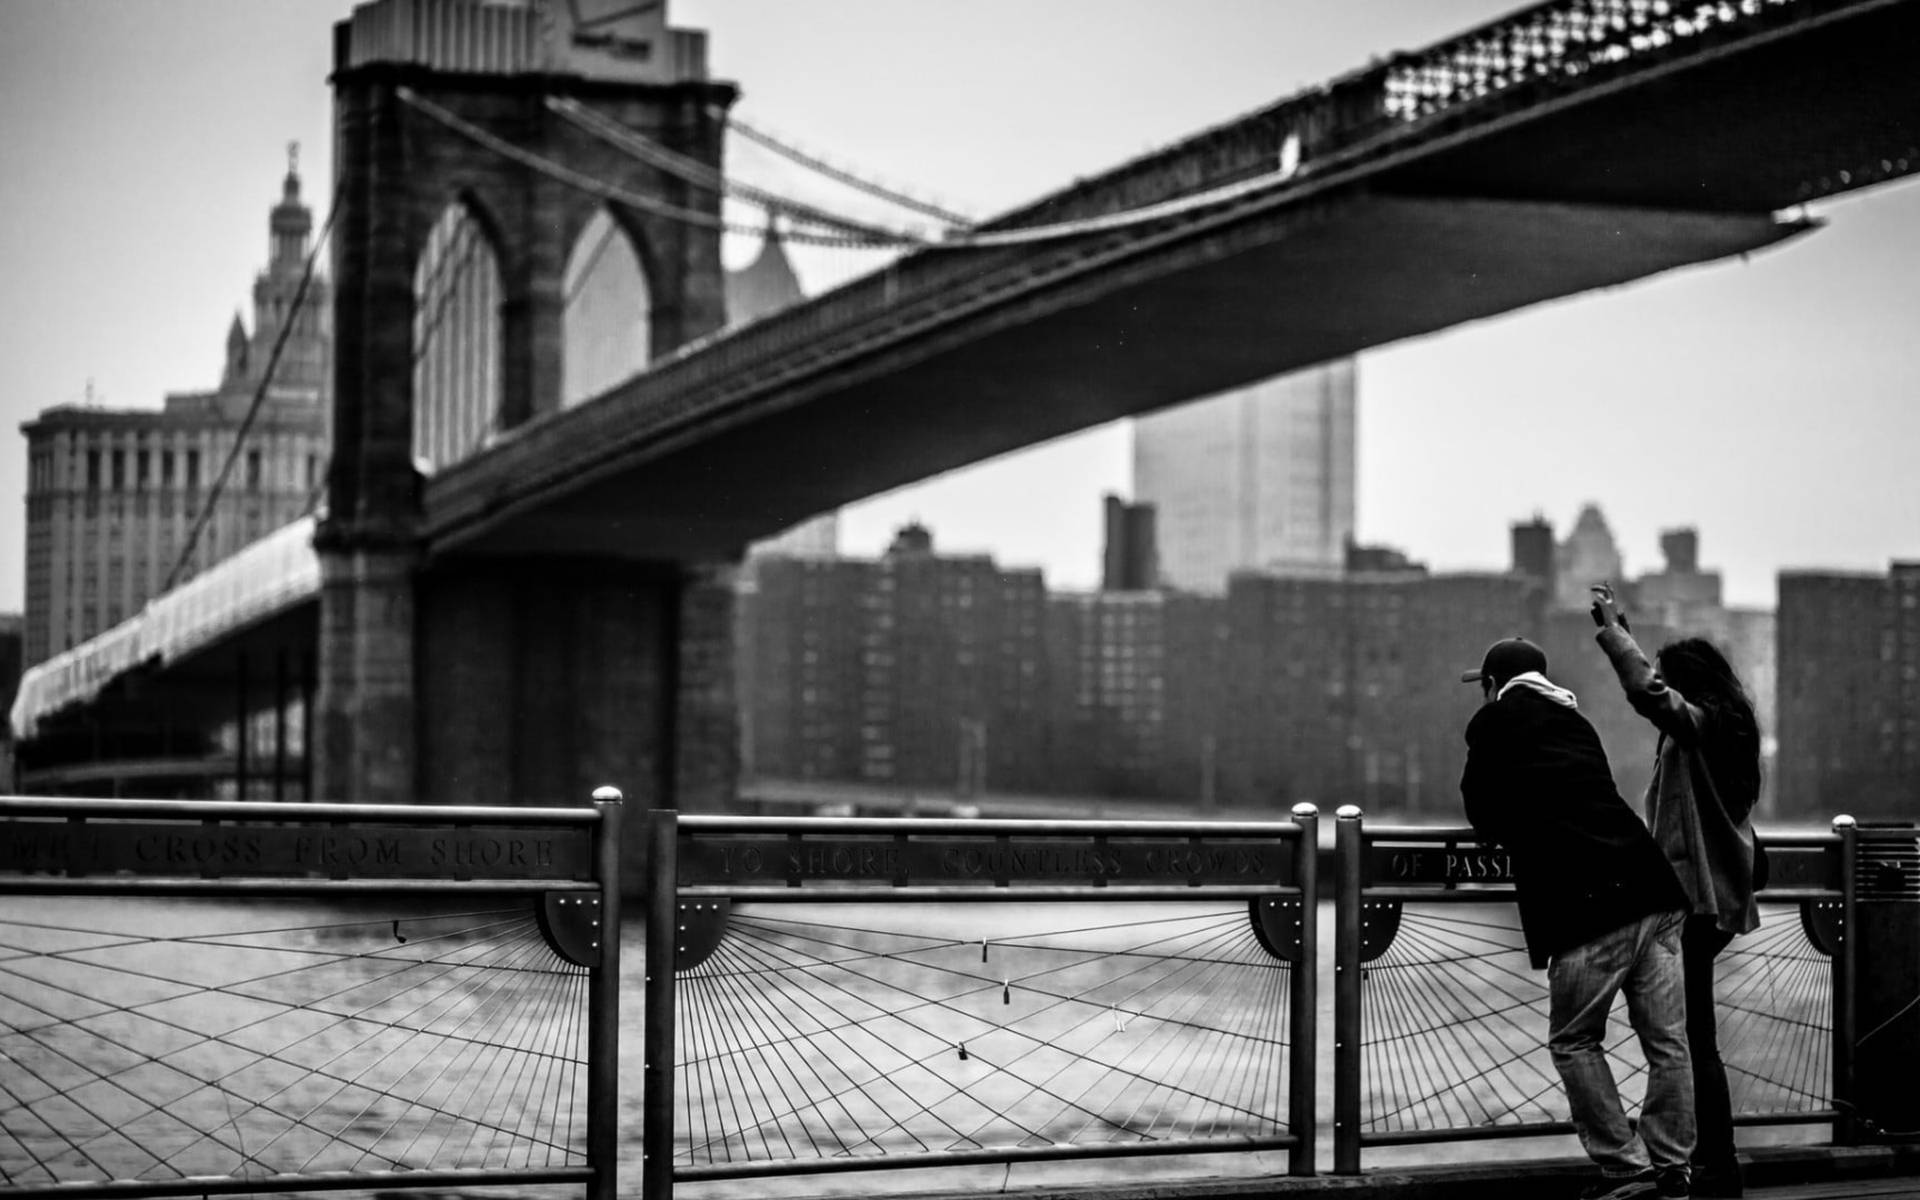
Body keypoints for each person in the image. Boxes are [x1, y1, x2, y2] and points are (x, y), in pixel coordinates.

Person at [1459, 636, 1695, 1200]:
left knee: (1575, 1040)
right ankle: (1673, 1168)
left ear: (1493, 684)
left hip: (1590, 902)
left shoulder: (1493, 723)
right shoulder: (1576, 720)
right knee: (1667, 1042)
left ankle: (1626, 1167)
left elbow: (1482, 812)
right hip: (1654, 889)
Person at [1591, 584, 1763, 1198]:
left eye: (1671, 678)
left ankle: (1706, 1165)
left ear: (1688, 683)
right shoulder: (1730, 728)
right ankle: (1704, 1160)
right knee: (1690, 1035)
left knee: (1690, 1039)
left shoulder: (1705, 727)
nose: (1662, 686)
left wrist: (1616, 636)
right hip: (1710, 900)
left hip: (1695, 902)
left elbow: (1648, 694)